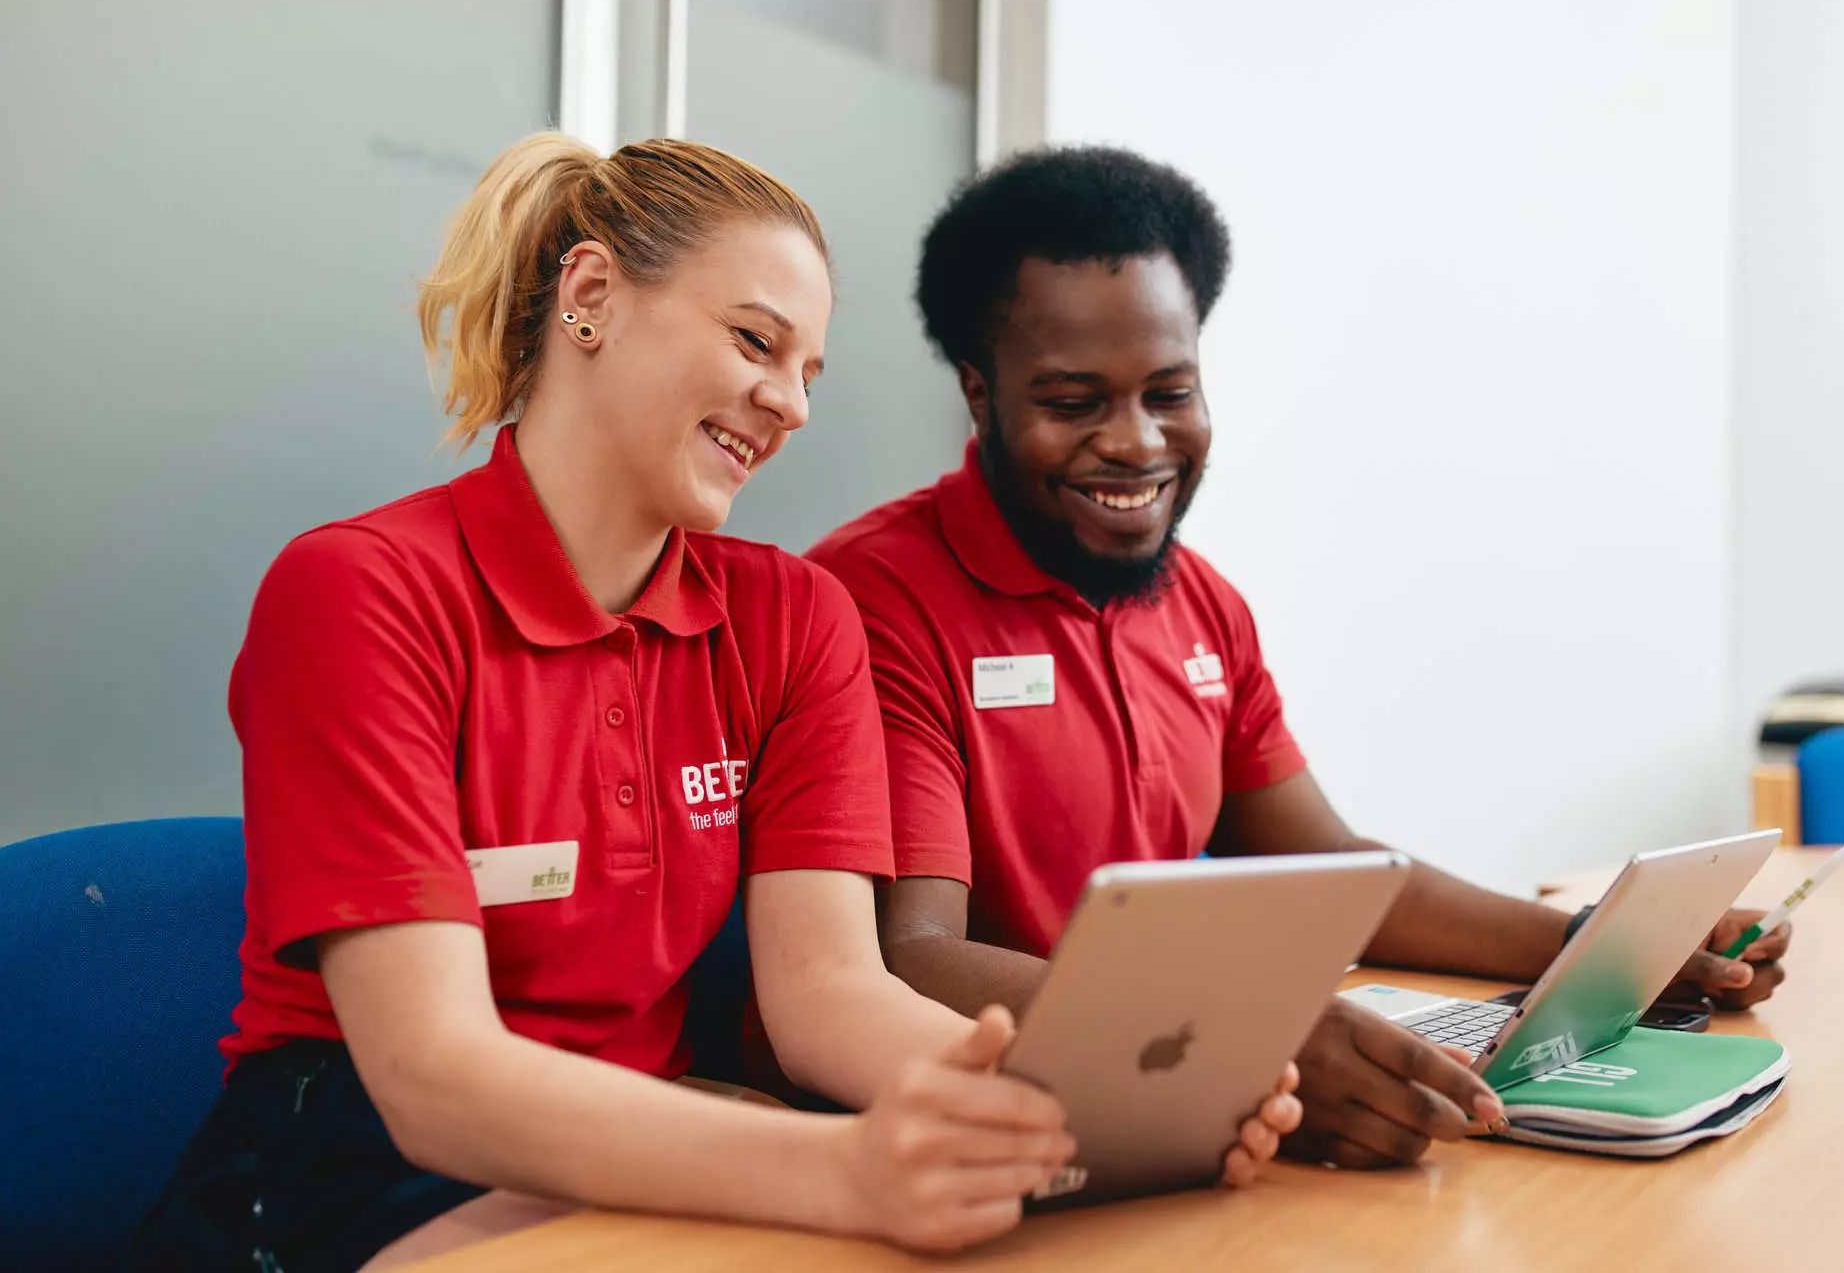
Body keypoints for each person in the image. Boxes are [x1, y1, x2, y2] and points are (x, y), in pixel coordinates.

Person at [130, 134, 1300, 1272]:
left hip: (650, 1145)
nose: (788, 403)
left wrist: (1091, 1112)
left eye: (809, 373)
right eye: (757, 340)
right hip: (355, 1159)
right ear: (589, 294)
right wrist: (840, 1169)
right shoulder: (359, 590)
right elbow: (434, 1075)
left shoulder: (794, 619)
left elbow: (830, 993)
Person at [807, 145, 1794, 1172]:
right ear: (979, 395)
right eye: (1071, 401)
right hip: (996, 1135)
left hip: (1178, 1121)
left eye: (1169, 391)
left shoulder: (1201, 604)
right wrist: (1230, 1047)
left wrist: (1604, 948)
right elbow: (903, 957)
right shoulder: (874, 603)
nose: (1135, 441)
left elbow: (1337, 866)